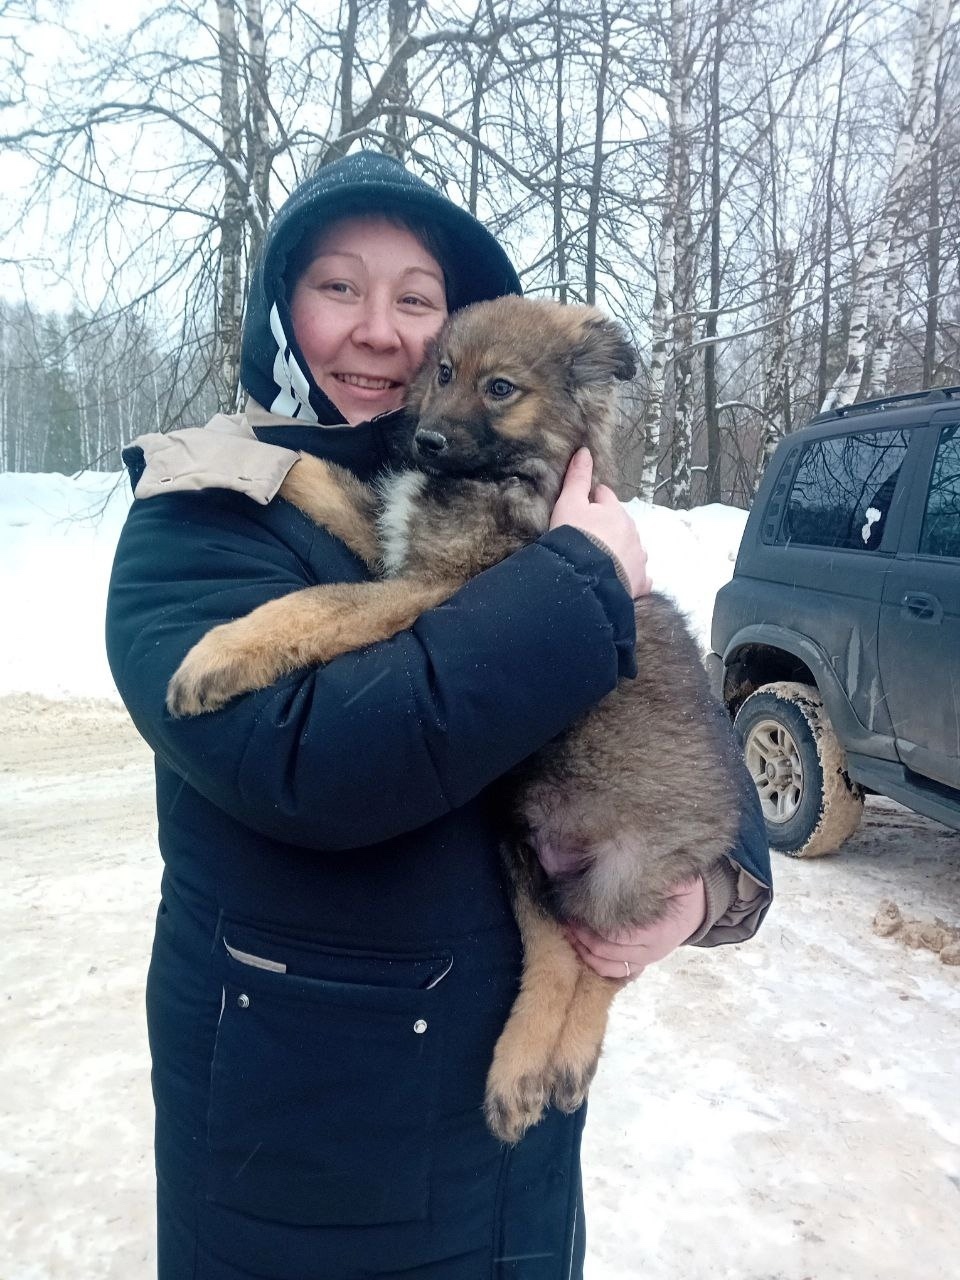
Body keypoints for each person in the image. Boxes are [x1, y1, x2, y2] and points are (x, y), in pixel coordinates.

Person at [105, 149, 772, 1280]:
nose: (380, 331)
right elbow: (313, 761)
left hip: (508, 1172)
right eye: (336, 286)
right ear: (280, 304)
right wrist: (580, 581)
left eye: (416, 300)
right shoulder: (197, 509)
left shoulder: (555, 511)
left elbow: (684, 733)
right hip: (310, 1145)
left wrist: (710, 884)